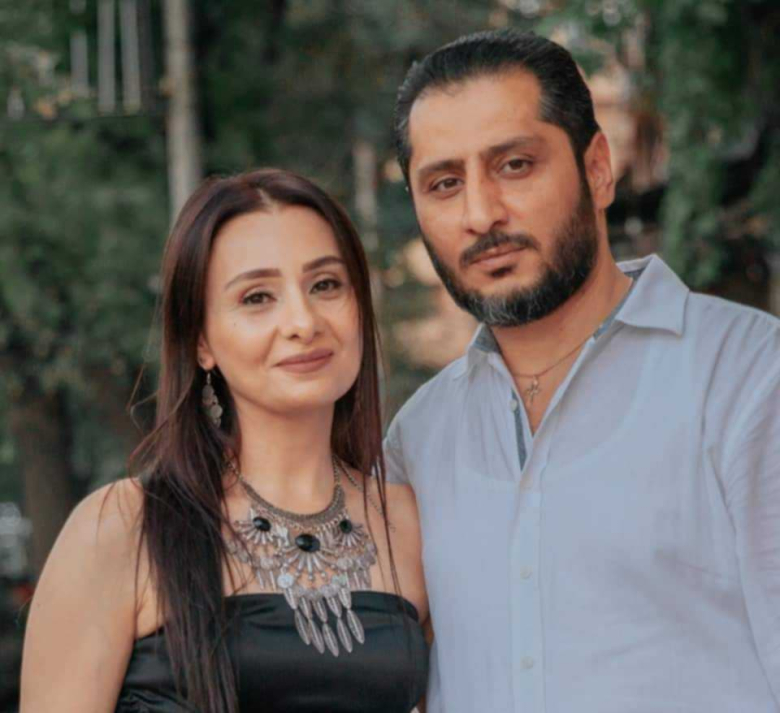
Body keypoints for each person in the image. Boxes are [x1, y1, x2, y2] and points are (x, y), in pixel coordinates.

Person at [385, 28, 780, 713]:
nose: (480, 214)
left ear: (597, 169)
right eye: (445, 183)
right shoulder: (417, 440)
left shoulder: (748, 378)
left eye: (514, 165)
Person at [20, 169, 429, 712]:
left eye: (326, 285)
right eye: (258, 297)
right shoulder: (122, 528)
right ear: (201, 342)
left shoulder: (410, 524)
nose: (303, 321)